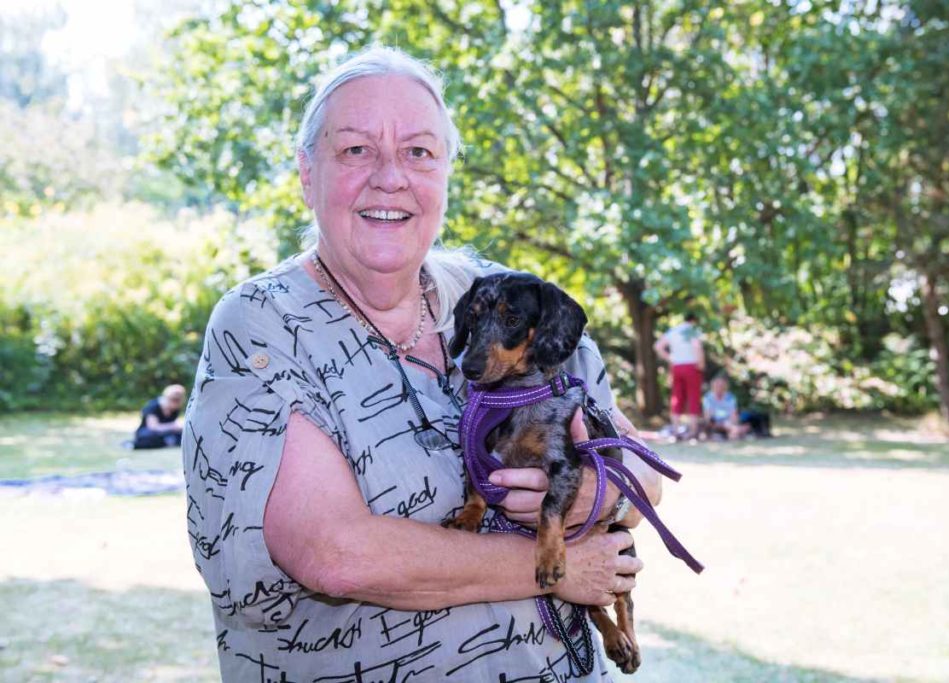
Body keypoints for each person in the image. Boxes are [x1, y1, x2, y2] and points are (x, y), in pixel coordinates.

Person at [183, 46, 664, 681]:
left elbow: (646, 475)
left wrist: (597, 495)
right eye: (356, 149)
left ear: (446, 174)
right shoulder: (262, 323)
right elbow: (334, 555)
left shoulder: (510, 299)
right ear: (306, 173)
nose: (391, 176)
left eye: (419, 152)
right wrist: (556, 568)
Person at [654, 312, 705, 440]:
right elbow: (697, 347)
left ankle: (676, 430)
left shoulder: (673, 331)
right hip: (692, 366)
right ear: (695, 320)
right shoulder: (692, 330)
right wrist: (701, 363)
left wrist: (671, 358)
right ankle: (693, 432)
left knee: (677, 397)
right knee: (693, 397)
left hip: (677, 367)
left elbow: (658, 346)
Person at [131, 384, 185, 449]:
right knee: (149, 437)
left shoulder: (175, 409)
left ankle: (167, 441)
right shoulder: (153, 406)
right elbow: (153, 427)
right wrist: (172, 426)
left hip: (166, 433)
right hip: (148, 432)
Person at [701, 373, 750, 441]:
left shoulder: (730, 397)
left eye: (721, 385)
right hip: (714, 422)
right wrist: (714, 422)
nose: (719, 387)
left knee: (729, 424)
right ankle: (738, 430)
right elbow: (708, 414)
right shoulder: (708, 398)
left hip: (728, 422)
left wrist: (732, 422)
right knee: (730, 427)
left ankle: (734, 431)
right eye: (717, 385)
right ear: (713, 386)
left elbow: (733, 413)